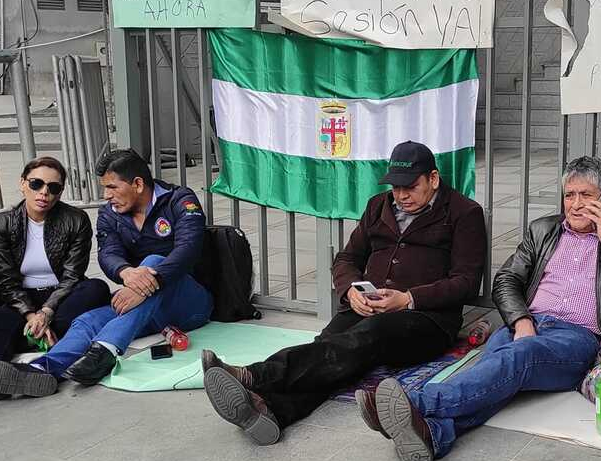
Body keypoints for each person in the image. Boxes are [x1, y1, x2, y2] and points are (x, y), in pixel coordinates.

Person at [360, 156, 601, 461]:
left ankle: (417, 402)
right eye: (569, 195)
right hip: (527, 323)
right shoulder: (544, 229)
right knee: (501, 373)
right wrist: (521, 320)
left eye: (586, 195)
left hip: (579, 338)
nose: (575, 204)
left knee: (515, 358)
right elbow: (506, 279)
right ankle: (435, 433)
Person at [201, 141, 487, 445]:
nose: (401, 196)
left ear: (433, 179)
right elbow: (347, 259)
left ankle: (255, 376)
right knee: (333, 349)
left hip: (425, 319)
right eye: (395, 187)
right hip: (367, 306)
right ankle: (272, 411)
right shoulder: (378, 205)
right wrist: (351, 290)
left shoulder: (463, 213)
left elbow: (466, 282)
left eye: (410, 187)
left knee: (363, 338)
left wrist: (407, 298)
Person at [0, 149, 213, 395]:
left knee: (153, 260)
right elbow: (108, 254)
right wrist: (127, 273)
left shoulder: (179, 200)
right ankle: (43, 370)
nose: (106, 195)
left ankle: (105, 351)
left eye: (112, 187)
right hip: (142, 306)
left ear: (137, 184)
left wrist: (151, 280)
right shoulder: (111, 213)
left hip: (189, 302)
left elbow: (188, 250)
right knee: (87, 321)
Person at [0, 157, 111, 395]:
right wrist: (31, 314)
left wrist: (45, 313)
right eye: (36, 184)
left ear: (60, 192)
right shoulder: (0, 221)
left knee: (96, 289)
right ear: (22, 183)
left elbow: (72, 276)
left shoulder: (76, 220)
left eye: (53, 188)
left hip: (61, 296)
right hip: (19, 298)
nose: (44, 193)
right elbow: (5, 280)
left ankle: (1, 369)